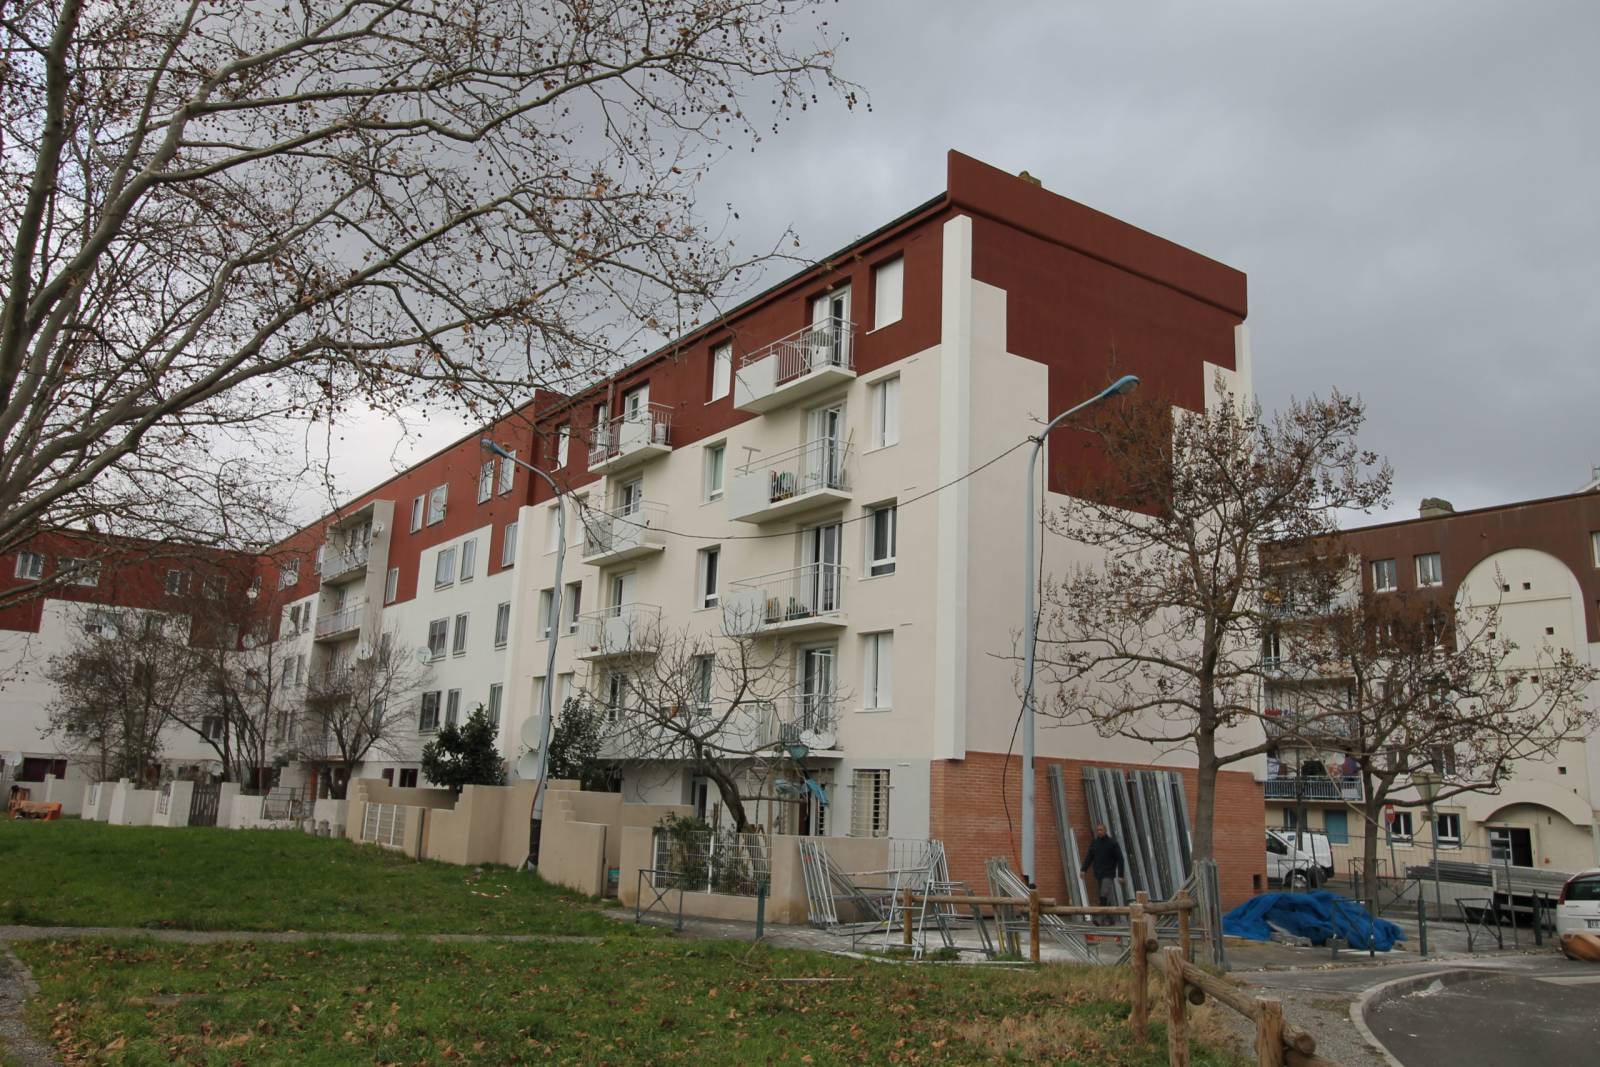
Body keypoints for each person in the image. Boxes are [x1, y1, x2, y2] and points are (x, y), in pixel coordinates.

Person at [1079, 824, 1125, 926]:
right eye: (1098, 830)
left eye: (1101, 830)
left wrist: (1121, 875)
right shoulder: (1095, 843)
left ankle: (1100, 919)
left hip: (1108, 874)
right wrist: (1083, 870)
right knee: (1106, 897)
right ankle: (1111, 919)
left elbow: (1120, 859)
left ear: (1105, 830)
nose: (1099, 832)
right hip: (1098, 874)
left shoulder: (1112, 843)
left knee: (1103, 895)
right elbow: (1089, 857)